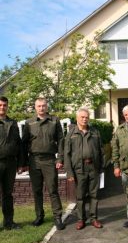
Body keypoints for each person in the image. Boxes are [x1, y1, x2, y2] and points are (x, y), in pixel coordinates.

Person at [22, 98, 65, 230]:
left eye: (43, 106)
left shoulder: (54, 121)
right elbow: (24, 144)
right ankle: (39, 216)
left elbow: (61, 140)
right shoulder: (29, 123)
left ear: (47, 107)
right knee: (37, 190)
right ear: (35, 107)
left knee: (53, 189)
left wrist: (60, 159)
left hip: (50, 160)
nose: (41, 108)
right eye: (39, 106)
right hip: (34, 160)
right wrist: (23, 163)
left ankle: (58, 217)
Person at [64, 107, 104, 230]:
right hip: (79, 169)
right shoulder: (71, 134)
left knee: (94, 195)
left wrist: (101, 168)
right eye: (82, 117)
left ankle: (94, 218)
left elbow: (101, 150)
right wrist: (69, 172)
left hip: (93, 167)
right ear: (77, 118)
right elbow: (67, 154)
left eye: (86, 117)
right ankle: (81, 219)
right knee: (80, 196)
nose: (85, 119)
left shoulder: (95, 132)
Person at [0, 96, 22, 230]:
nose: (2, 107)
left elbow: (18, 144)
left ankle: (9, 222)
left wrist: (20, 163)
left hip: (10, 164)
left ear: (7, 106)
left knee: (8, 194)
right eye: (0, 105)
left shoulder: (13, 123)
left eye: (4, 105)